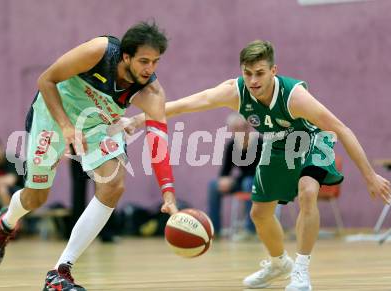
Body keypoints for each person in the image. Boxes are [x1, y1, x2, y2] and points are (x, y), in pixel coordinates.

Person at [119, 40, 391, 291]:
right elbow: (187, 104)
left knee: (308, 191)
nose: (253, 80)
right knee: (259, 214)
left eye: (259, 73)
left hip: (313, 141)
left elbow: (341, 129)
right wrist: (141, 120)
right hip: (277, 144)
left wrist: (369, 176)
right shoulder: (235, 92)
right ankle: (278, 263)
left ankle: (301, 270)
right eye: (248, 73)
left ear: (273, 70)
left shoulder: (294, 97)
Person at [0, 21, 178, 291]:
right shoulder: (100, 51)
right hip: (54, 113)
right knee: (36, 197)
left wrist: (168, 193)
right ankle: (6, 222)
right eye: (144, 61)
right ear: (126, 56)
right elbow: (46, 80)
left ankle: (60, 272)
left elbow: (159, 144)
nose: (149, 69)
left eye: (155, 62)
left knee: (114, 185)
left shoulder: (152, 92)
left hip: (97, 124)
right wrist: (65, 126)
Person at [208, 112, 262, 237]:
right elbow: (225, 170)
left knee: (248, 183)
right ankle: (214, 230)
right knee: (213, 186)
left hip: (259, 181)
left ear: (247, 128)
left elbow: (259, 170)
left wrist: (233, 180)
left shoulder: (259, 143)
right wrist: (224, 179)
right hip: (242, 180)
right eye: (235, 129)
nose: (239, 132)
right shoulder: (232, 145)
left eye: (242, 128)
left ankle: (250, 230)